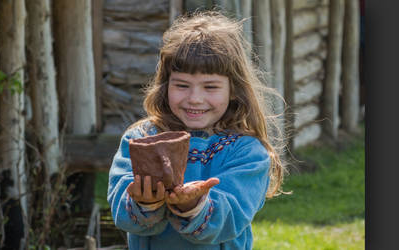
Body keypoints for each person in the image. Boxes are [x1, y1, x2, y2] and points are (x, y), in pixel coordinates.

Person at [107, 11, 287, 249]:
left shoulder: (246, 152)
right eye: (182, 85)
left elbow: (231, 217)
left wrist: (192, 205)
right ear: (166, 84)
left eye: (210, 87)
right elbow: (121, 204)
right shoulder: (140, 139)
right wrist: (145, 202)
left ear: (233, 89)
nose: (195, 98)